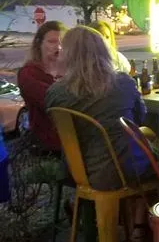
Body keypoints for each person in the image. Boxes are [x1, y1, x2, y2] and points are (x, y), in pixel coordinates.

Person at [45, 26, 151, 190]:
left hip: (77, 173)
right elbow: (139, 118)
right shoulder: (122, 82)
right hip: (125, 172)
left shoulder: (55, 93)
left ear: (67, 55)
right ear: (104, 51)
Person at [17, 21, 66, 153]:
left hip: (74, 140)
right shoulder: (29, 73)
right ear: (39, 43)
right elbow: (52, 101)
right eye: (52, 42)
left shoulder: (71, 69)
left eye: (62, 42)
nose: (58, 47)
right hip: (47, 145)